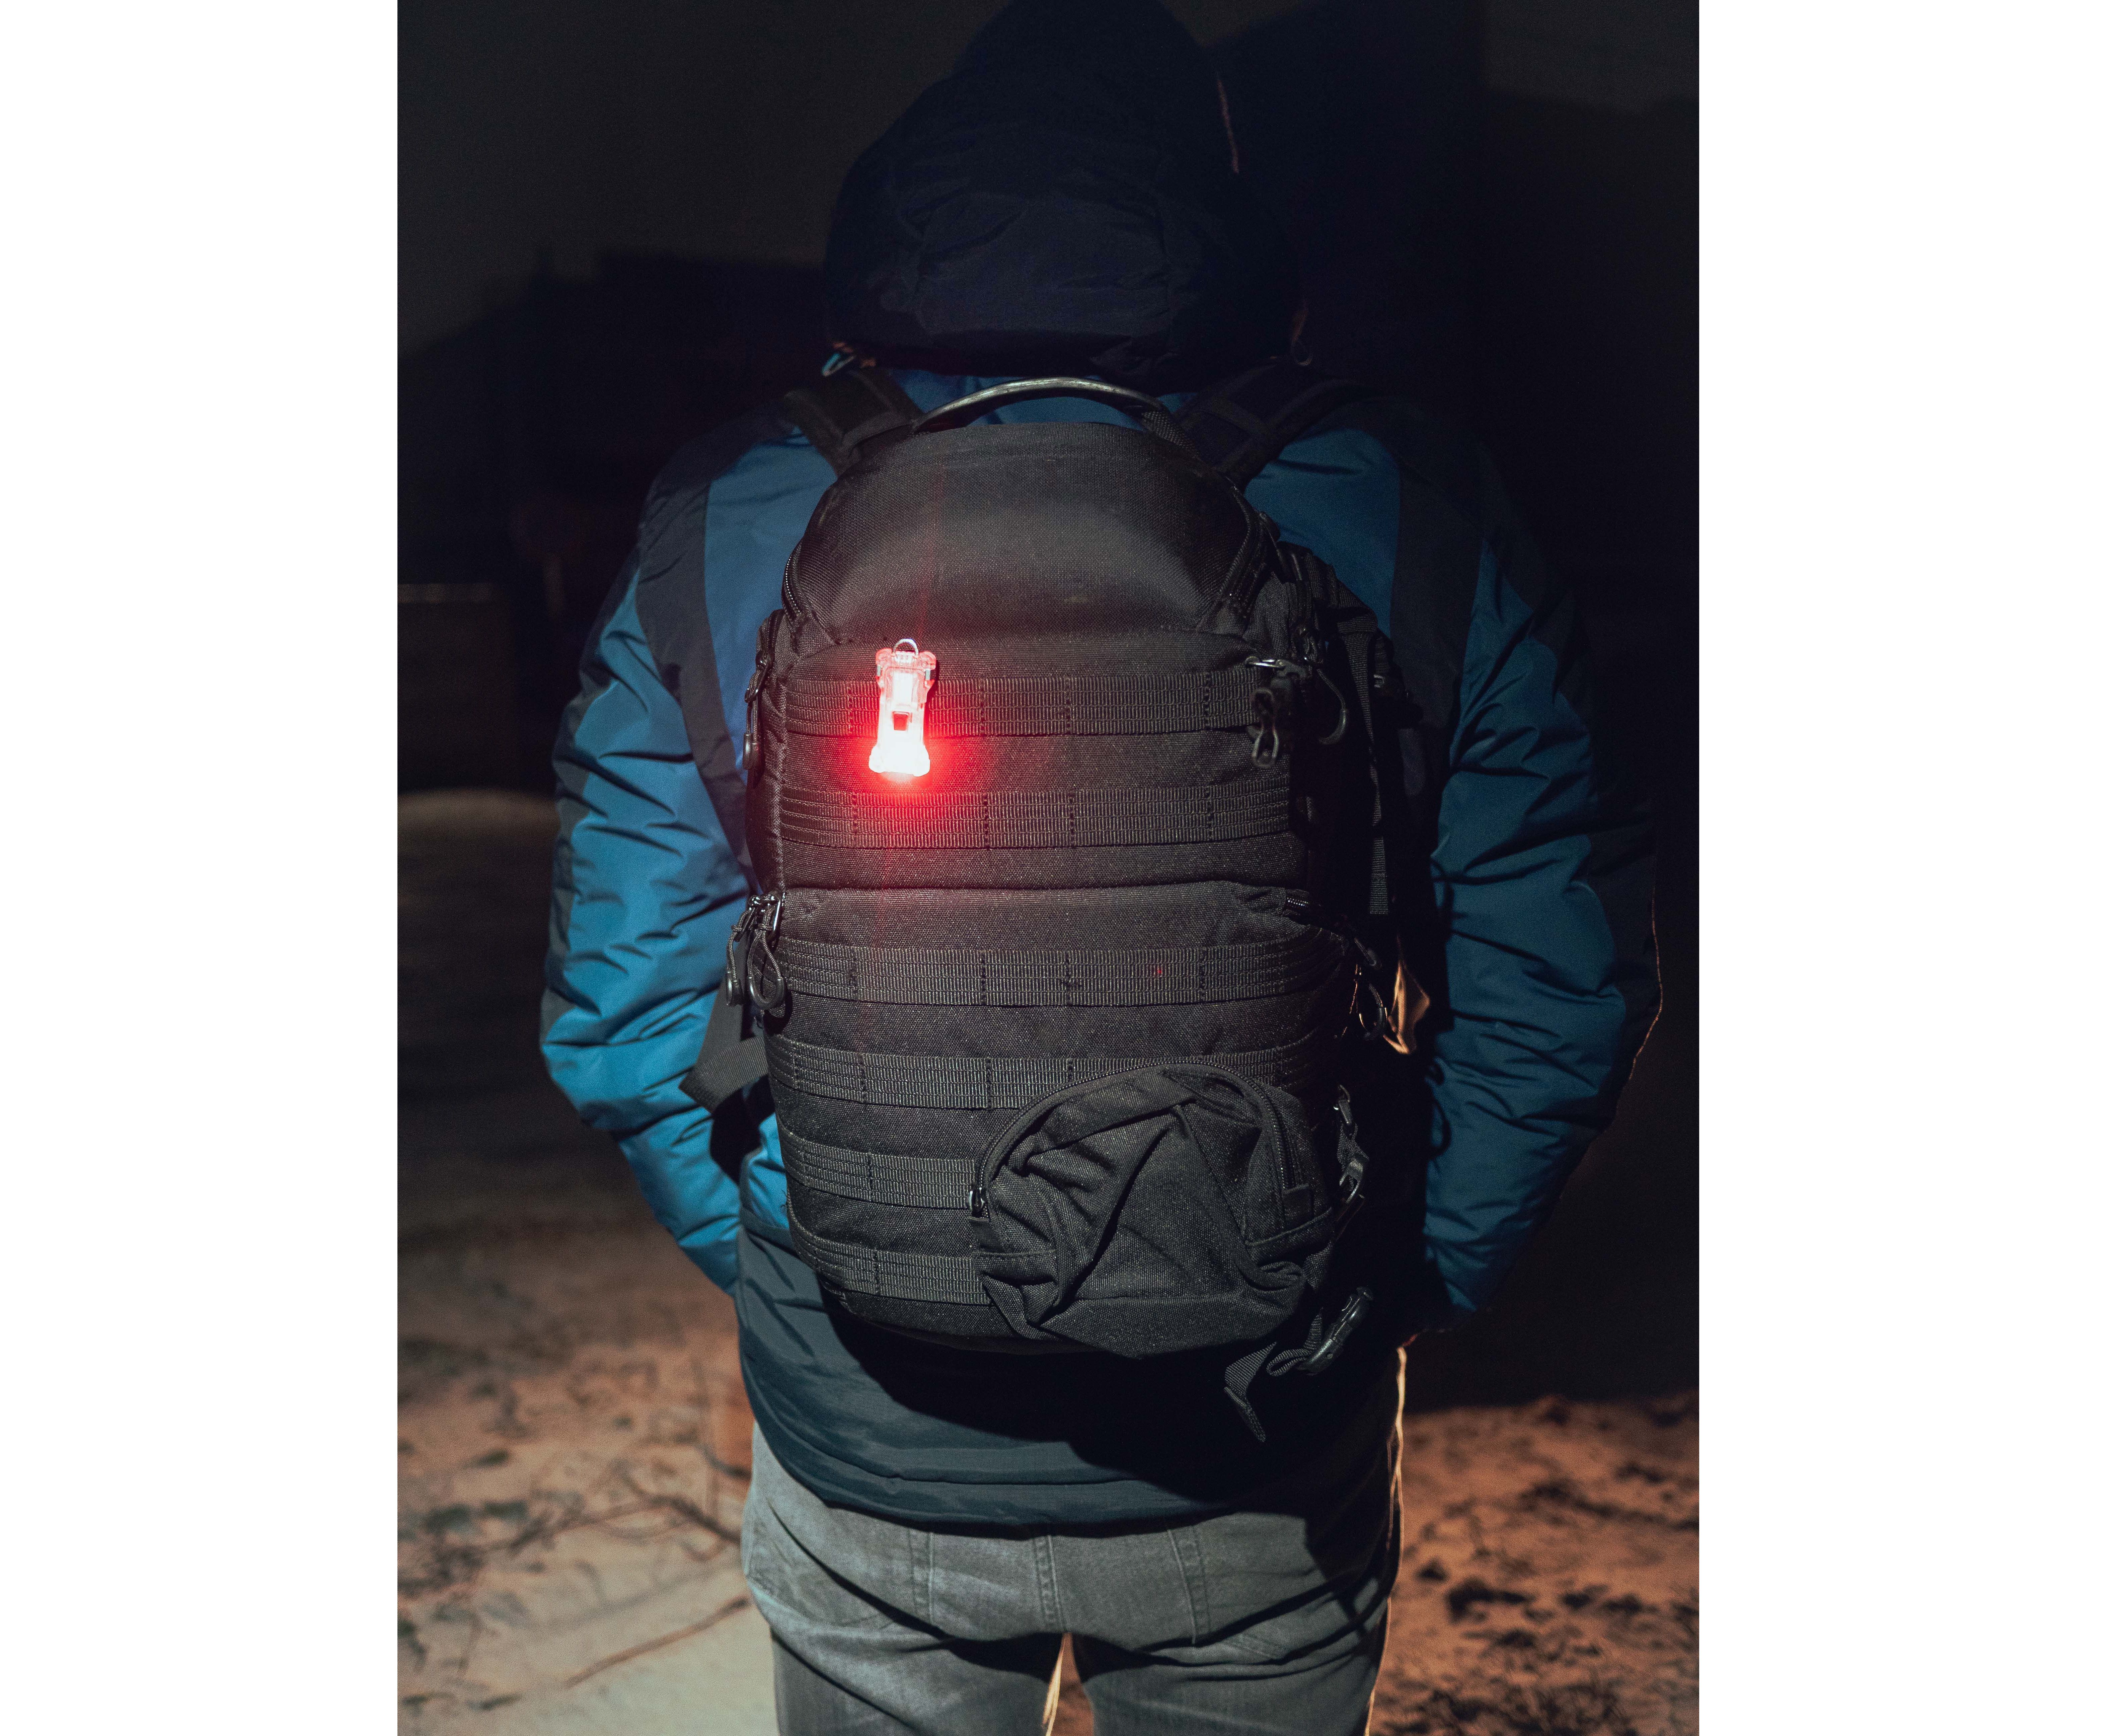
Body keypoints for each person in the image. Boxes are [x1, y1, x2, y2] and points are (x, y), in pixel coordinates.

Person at [542, 2, 1657, 1730]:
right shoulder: (1400, 496)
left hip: (872, 1456)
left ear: (904, 198)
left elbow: (623, 1001)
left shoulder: (733, 508)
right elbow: (1560, 974)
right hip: (1256, 1445)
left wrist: (809, 1274)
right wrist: (1391, 1281)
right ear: (1221, 210)